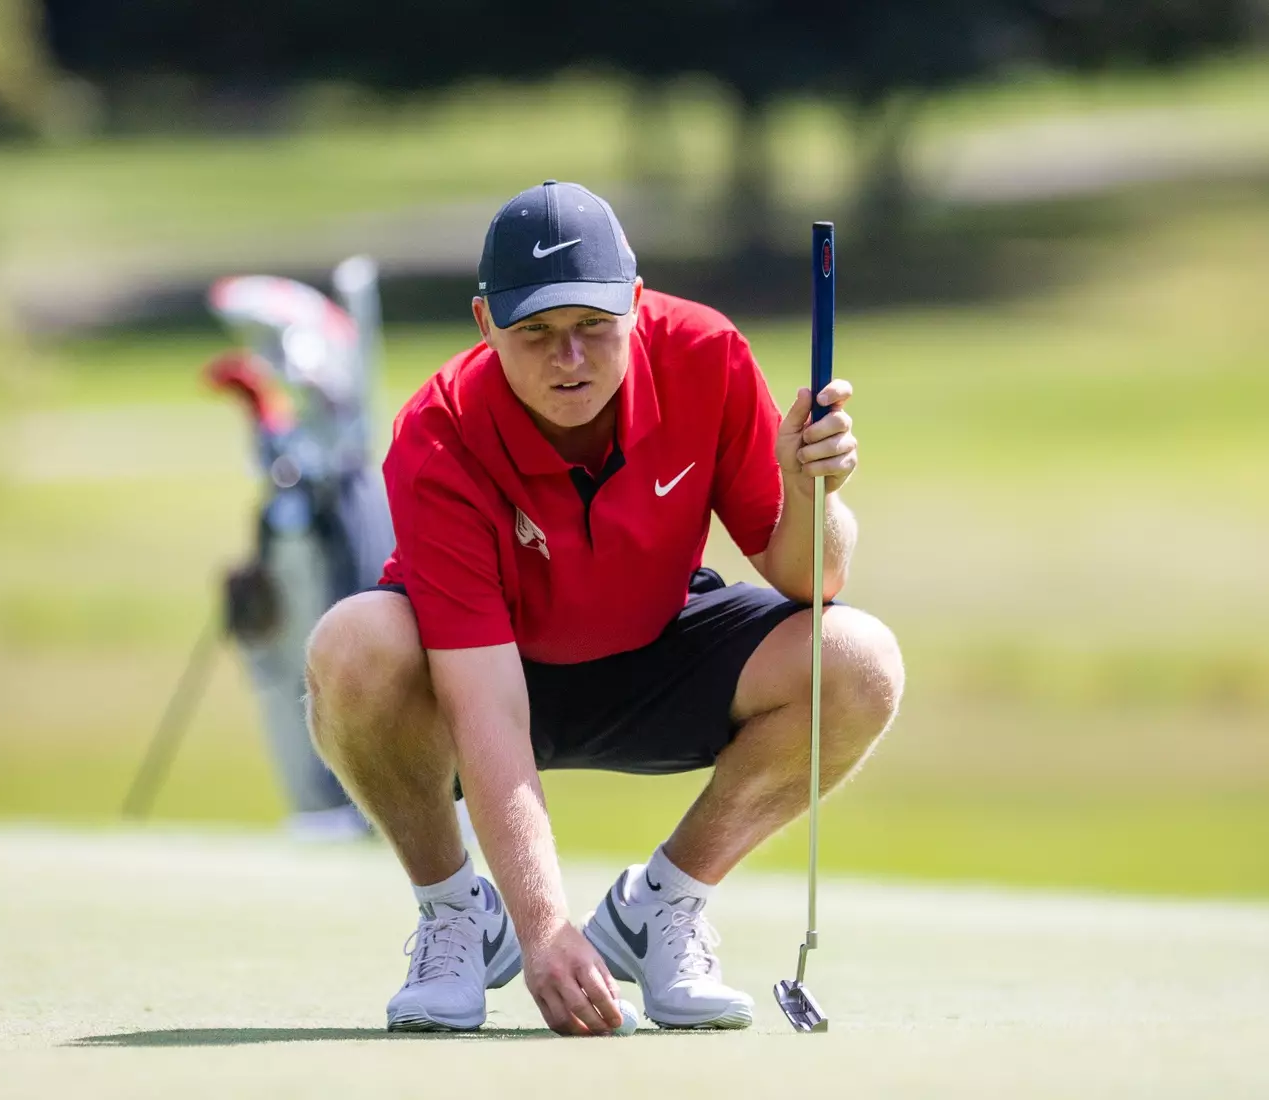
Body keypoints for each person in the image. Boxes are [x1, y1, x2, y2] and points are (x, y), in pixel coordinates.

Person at [304, 180, 904, 1036]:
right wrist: (544, 926)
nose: (570, 360)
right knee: (350, 646)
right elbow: (487, 705)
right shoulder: (439, 431)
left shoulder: (706, 354)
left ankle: (662, 907)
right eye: (535, 334)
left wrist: (817, 494)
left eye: (593, 326)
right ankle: (455, 917)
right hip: (486, 672)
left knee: (858, 660)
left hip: (654, 643)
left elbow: (812, 578)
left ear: (634, 300)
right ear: (485, 325)